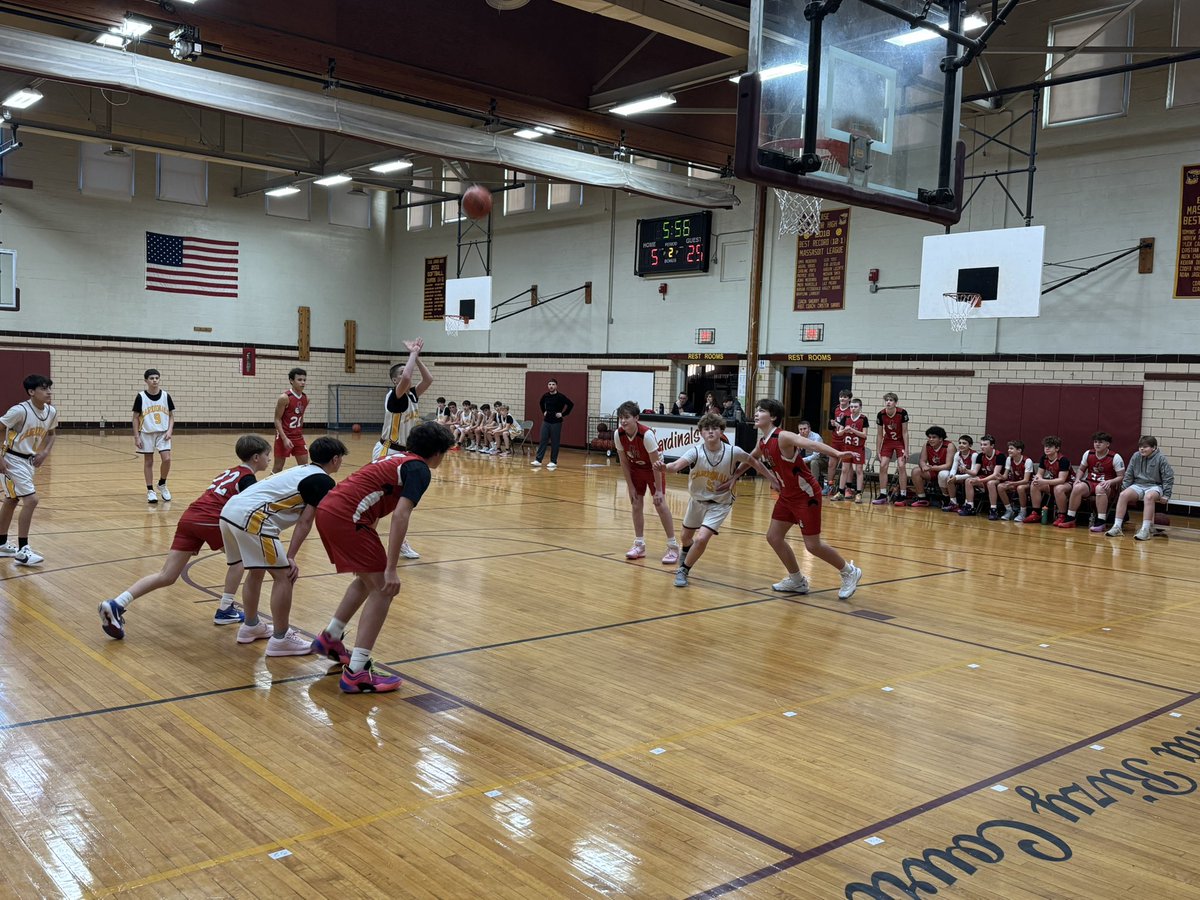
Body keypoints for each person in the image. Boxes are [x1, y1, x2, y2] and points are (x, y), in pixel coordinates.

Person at [311, 423, 454, 692]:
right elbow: (401, 515)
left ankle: (330, 637)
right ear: (437, 453)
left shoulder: (395, 458)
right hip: (346, 517)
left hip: (330, 509)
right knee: (384, 589)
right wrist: (391, 567)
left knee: (368, 581)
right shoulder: (419, 469)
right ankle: (357, 672)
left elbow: (372, 494)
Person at [98, 435, 272, 639]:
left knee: (167, 575)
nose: (270, 459)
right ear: (256, 458)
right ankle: (226, 609)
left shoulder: (230, 471)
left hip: (189, 518)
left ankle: (117, 603)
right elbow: (250, 509)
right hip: (211, 518)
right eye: (268, 455)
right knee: (241, 560)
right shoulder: (248, 478)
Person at [218, 435, 347, 656]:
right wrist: (292, 556)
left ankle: (250, 626)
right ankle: (281, 638)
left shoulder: (301, 470)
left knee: (256, 571)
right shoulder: (323, 481)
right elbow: (305, 522)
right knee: (284, 576)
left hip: (229, 513)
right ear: (335, 459)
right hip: (252, 518)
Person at [723, 399, 862, 599]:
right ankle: (797, 580)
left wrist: (838, 453)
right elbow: (750, 458)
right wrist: (735, 476)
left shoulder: (783, 436)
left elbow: (813, 444)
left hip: (806, 495)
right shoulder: (763, 441)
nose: (756, 413)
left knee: (813, 546)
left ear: (772, 417)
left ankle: (849, 572)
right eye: (756, 410)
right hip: (787, 495)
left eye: (761, 410)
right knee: (773, 537)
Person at [657, 413, 773, 587]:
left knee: (702, 538)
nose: (711, 431)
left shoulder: (733, 451)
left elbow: (753, 461)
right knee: (685, 537)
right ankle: (686, 552)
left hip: (720, 503)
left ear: (721, 431)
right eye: (707, 429)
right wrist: (664, 467)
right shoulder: (695, 451)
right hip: (697, 501)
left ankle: (684, 569)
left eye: (714, 428)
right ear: (701, 433)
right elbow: (676, 466)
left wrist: (772, 479)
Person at [372, 338, 432, 558]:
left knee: (403, 500)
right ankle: (368, 537)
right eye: (402, 375)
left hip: (405, 453)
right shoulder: (395, 396)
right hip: (389, 451)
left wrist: (417, 358)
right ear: (395, 380)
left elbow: (429, 379)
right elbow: (406, 377)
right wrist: (412, 353)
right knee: (378, 499)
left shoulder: (412, 394)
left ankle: (400, 542)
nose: (408, 376)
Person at [0, 374, 58, 566]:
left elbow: (51, 434)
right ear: (31, 392)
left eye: (49, 388)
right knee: (31, 500)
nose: (48, 391)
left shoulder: (51, 412)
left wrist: (45, 453)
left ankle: (1, 544)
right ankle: (23, 549)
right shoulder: (19, 411)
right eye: (43, 388)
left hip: (28, 461)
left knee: (11, 499)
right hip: (11, 459)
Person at [614, 401, 680, 564]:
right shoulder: (618, 434)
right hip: (636, 469)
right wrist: (630, 487)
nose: (623, 421)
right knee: (636, 503)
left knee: (660, 504)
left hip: (653, 469)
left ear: (636, 418)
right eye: (621, 417)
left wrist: (658, 490)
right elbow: (623, 462)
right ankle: (639, 544)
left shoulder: (646, 435)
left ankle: (673, 546)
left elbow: (656, 464)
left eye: (627, 417)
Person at [1106, 436, 1174, 541]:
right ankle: (1117, 527)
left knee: (1149, 496)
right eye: (1140, 447)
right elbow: (1129, 474)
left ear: (1154, 448)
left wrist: (1166, 494)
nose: (1142, 449)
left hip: (1155, 486)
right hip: (1138, 484)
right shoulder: (1136, 456)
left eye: (1145, 447)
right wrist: (1125, 488)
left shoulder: (1161, 458)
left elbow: (1168, 477)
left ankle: (1145, 530)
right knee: (1123, 495)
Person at [1056, 431, 1125, 532]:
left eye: (1100, 442)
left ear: (1107, 444)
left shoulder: (1115, 457)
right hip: (1090, 482)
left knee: (1100, 488)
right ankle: (1070, 518)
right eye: (1095, 442)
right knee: (1077, 487)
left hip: (1107, 485)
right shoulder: (1088, 453)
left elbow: (1121, 477)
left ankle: (1101, 521)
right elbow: (1081, 469)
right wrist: (1078, 479)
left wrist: (1110, 482)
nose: (1097, 444)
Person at [133, 368, 175, 504]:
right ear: (146, 381)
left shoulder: (165, 396)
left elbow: (171, 416)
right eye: (151, 378)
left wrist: (169, 431)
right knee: (149, 462)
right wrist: (137, 437)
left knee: (167, 459)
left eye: (157, 378)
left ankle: (162, 483)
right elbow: (135, 418)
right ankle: (150, 490)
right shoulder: (141, 397)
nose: (155, 380)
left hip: (163, 433)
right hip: (146, 432)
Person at [873, 392, 910, 505]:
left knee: (901, 465)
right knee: (883, 465)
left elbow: (905, 432)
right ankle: (883, 494)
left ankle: (903, 494)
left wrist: (907, 449)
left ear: (895, 403)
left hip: (899, 441)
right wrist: (877, 450)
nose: (888, 402)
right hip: (888, 441)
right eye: (886, 400)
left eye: (891, 400)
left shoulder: (902, 413)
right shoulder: (881, 414)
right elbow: (879, 435)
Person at [1024, 436, 1071, 524]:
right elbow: (1039, 473)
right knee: (1035, 484)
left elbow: (1061, 480)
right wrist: (1037, 478)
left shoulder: (1063, 460)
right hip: (1053, 482)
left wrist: (1043, 481)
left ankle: (1062, 515)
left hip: (1068, 483)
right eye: (1046, 446)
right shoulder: (1044, 458)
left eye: (1050, 446)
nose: (1047, 448)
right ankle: (1036, 513)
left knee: (1059, 488)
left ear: (1057, 448)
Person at [272, 367, 310, 473]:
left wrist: (299, 432)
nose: (302, 382)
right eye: (299, 380)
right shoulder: (284, 398)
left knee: (304, 467)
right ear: (291, 381)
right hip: (283, 436)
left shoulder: (306, 398)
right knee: (278, 468)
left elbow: (301, 417)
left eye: (304, 380)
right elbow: (277, 419)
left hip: (297, 436)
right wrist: (284, 438)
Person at [531, 378, 574, 470]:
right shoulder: (545, 396)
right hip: (546, 421)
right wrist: (544, 411)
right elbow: (541, 403)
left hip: (556, 422)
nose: (551, 386)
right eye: (549, 384)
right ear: (548, 386)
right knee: (543, 440)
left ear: (556, 386)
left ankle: (553, 461)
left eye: (553, 384)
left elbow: (570, 404)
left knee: (555, 442)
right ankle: (538, 460)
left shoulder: (560, 396)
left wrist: (563, 414)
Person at [832, 399, 868, 503]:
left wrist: (853, 430)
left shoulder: (863, 419)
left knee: (859, 470)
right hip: (847, 447)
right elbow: (839, 433)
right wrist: (844, 430)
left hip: (858, 448)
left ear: (860, 407)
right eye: (851, 406)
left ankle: (859, 493)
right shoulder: (846, 417)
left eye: (855, 407)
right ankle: (840, 492)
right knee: (844, 470)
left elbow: (864, 435)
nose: (853, 409)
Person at [907, 426, 953, 507]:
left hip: (946, 472)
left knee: (943, 474)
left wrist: (932, 468)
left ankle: (947, 498)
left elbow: (948, 466)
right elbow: (922, 460)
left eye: (934, 437)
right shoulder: (927, 445)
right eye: (929, 437)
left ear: (941, 439)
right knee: (916, 471)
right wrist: (924, 466)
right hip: (933, 470)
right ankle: (922, 499)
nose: (931, 439)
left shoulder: (949, 446)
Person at [962, 434, 1004, 518]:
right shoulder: (980, 456)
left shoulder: (1000, 456)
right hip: (985, 477)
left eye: (985, 445)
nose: (982, 447)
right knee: (968, 481)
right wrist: (966, 470)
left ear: (992, 445)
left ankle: (993, 510)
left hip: (998, 479)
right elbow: (975, 472)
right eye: (981, 444)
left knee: (991, 483)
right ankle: (970, 507)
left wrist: (979, 481)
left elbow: (995, 474)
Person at [995, 439, 1034, 520]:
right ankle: (1009, 510)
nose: (1009, 450)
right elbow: (1005, 476)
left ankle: (1023, 512)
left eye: (1011, 448)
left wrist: (1012, 483)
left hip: (1028, 483)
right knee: (1000, 486)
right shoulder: (1009, 459)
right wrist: (1000, 476)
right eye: (1008, 448)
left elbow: (1026, 480)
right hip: (1015, 482)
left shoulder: (1027, 461)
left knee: (1020, 488)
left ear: (1019, 450)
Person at [940, 435, 979, 513]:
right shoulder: (957, 454)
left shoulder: (974, 455)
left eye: (964, 443)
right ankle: (953, 503)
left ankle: (967, 504)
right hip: (962, 476)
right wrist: (952, 475)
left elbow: (973, 473)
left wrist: (957, 477)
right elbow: (954, 468)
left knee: (967, 480)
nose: (961, 445)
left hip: (972, 476)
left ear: (970, 445)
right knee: (949, 479)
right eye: (960, 443)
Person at [826, 389, 853, 495]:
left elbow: (851, 426)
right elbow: (829, 425)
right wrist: (832, 423)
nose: (842, 398)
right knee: (831, 464)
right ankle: (830, 486)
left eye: (845, 397)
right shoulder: (835, 408)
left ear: (849, 399)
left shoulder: (851, 410)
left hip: (846, 441)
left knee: (847, 466)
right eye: (841, 396)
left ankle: (847, 488)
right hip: (835, 440)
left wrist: (838, 425)